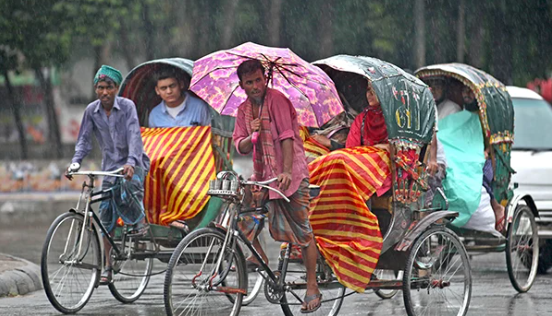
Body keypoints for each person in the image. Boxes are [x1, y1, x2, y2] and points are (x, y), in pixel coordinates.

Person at [232, 59, 322, 313]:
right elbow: (239, 144)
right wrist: (252, 134)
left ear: (265, 79)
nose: (255, 86)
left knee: (303, 232)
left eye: (258, 80)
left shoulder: (278, 100)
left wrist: (285, 172)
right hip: (262, 177)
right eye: (249, 82)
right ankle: (260, 261)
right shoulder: (243, 111)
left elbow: (287, 137)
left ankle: (312, 286)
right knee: (240, 217)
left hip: (290, 176)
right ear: (242, 85)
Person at [68, 65, 150, 285]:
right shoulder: (91, 111)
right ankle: (107, 266)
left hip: (134, 163)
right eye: (100, 88)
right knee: (105, 217)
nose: (104, 92)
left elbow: (134, 136)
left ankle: (139, 222)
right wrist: (75, 162)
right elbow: (84, 140)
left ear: (117, 88)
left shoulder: (127, 107)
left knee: (129, 188)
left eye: (109, 87)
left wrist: (132, 162)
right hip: (109, 168)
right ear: (96, 89)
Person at [462, 85, 505, 232]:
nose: (467, 95)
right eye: (464, 92)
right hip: (467, 156)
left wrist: (485, 151)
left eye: (470, 92)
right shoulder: (460, 114)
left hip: (486, 157)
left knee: (481, 175)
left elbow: (492, 142)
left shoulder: (486, 116)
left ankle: (495, 205)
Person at [425, 78, 462, 206]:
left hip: (437, 155)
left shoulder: (429, 104)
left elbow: (433, 136)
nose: (434, 90)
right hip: (418, 156)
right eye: (431, 85)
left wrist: (433, 160)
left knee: (430, 180)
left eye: (438, 86)